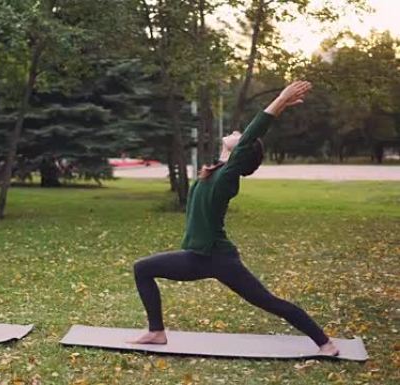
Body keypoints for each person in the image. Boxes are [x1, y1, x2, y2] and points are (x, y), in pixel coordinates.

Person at [130, 80, 338, 356]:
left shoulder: (228, 176)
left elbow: (253, 134)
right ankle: (156, 332)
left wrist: (279, 101)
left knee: (269, 302)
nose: (236, 131)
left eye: (240, 135)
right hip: (197, 256)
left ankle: (325, 343)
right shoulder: (215, 171)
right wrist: (281, 104)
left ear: (242, 153)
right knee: (143, 268)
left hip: (218, 258)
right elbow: (246, 140)